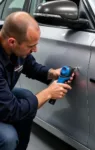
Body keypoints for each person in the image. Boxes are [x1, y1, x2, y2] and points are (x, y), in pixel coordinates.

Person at [0, 11, 73, 150]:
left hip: (3, 98)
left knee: (26, 96)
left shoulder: (14, 45)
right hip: (4, 106)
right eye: (30, 46)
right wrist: (48, 93)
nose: (35, 49)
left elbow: (31, 67)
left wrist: (53, 74)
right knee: (7, 137)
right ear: (12, 42)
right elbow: (12, 111)